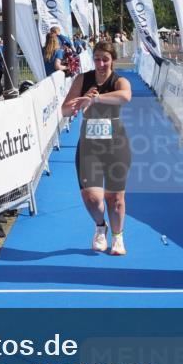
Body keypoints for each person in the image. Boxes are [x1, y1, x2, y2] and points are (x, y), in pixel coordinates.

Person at [62, 42, 133, 256]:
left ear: (112, 60)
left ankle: (118, 236)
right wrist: (78, 103)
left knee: (115, 198)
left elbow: (125, 96)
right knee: (92, 198)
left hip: (115, 145)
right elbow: (65, 110)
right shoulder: (83, 79)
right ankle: (101, 226)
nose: (101, 64)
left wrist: (96, 98)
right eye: (97, 59)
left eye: (105, 59)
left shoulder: (119, 80)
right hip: (89, 146)